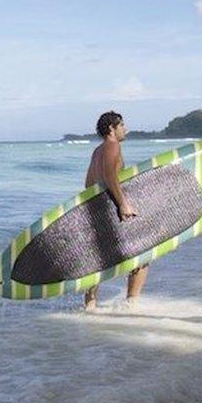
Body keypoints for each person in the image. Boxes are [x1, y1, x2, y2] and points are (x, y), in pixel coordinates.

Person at [83, 111, 145, 311]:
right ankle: (131, 304)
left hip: (97, 209)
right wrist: (123, 203)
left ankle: (89, 307)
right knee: (142, 256)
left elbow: (88, 184)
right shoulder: (112, 146)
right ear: (112, 128)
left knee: (98, 260)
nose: (125, 129)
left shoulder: (97, 151)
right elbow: (111, 176)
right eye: (122, 125)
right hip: (113, 209)